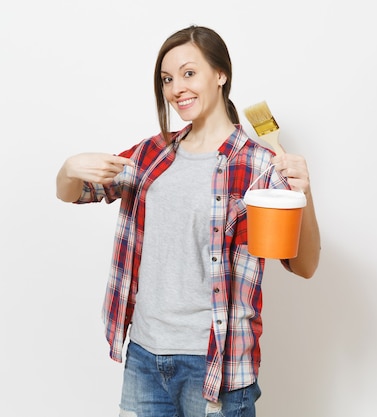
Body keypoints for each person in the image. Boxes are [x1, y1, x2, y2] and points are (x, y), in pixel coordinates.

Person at [55, 25, 321, 417]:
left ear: (220, 74)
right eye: (167, 79)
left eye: (189, 73)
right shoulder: (152, 155)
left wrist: (305, 194)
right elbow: (76, 192)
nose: (176, 87)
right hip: (145, 357)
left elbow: (304, 265)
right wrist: (67, 169)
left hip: (215, 364)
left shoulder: (258, 165)